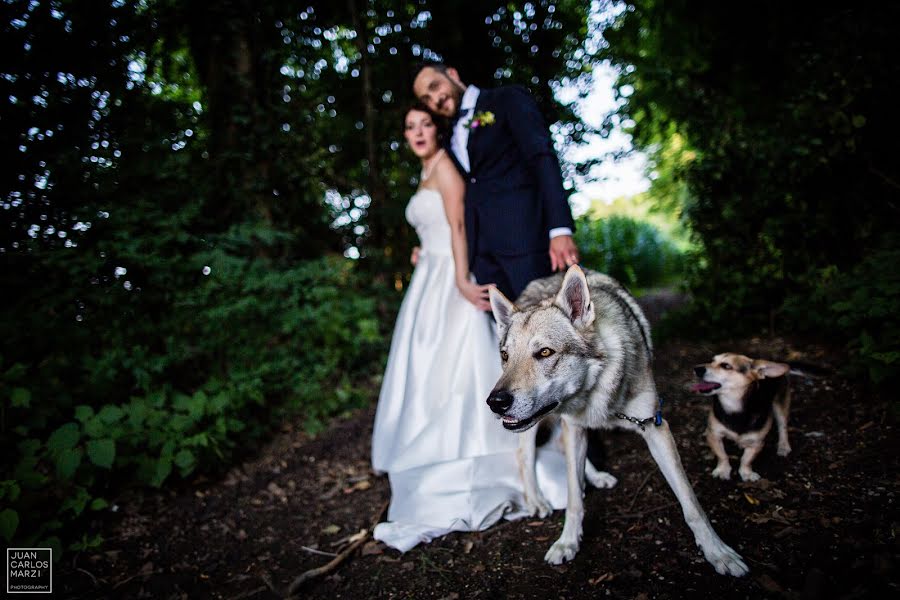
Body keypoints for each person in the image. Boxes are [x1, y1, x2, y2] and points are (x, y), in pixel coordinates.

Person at [370, 106, 568, 552]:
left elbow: (461, 225)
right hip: (429, 277)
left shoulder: (446, 169)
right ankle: (420, 444)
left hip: (451, 278)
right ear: (404, 135)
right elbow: (437, 226)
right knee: (423, 364)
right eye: (410, 126)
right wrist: (422, 251)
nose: (418, 133)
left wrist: (462, 278)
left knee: (454, 360)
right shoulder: (426, 172)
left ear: (437, 131)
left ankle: (474, 451)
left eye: (425, 125)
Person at [412, 62, 579, 301]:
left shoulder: (506, 99)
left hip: (526, 242)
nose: (435, 99)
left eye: (435, 86)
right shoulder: (448, 138)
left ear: (452, 74)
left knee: (545, 326)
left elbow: (541, 158)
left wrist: (559, 229)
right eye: (427, 98)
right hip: (481, 258)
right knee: (505, 335)